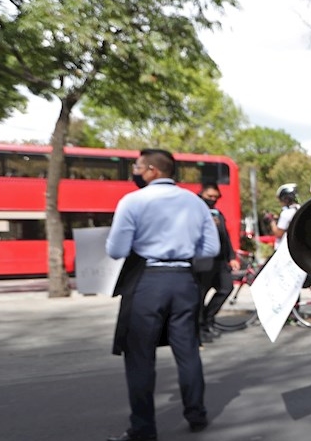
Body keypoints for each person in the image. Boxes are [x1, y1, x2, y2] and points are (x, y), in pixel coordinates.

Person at [105, 149, 220, 441]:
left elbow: (116, 250)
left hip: (147, 282)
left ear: (153, 170)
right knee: (188, 351)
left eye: (138, 166)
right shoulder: (195, 203)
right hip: (184, 282)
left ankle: (143, 428)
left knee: (140, 357)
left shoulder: (133, 201)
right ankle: (197, 414)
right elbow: (210, 250)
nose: (135, 171)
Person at [194, 183, 240, 344]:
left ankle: (208, 318)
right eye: (209, 197)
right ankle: (199, 327)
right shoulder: (195, 211)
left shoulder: (218, 214)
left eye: (216, 197)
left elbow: (225, 238)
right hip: (203, 261)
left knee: (226, 288)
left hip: (220, 261)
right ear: (202, 195)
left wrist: (232, 257)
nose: (212, 200)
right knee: (200, 295)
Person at [272, 183, 300, 252]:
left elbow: (278, 233)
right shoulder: (299, 209)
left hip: (283, 251)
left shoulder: (286, 213)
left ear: (286, 199)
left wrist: (272, 222)